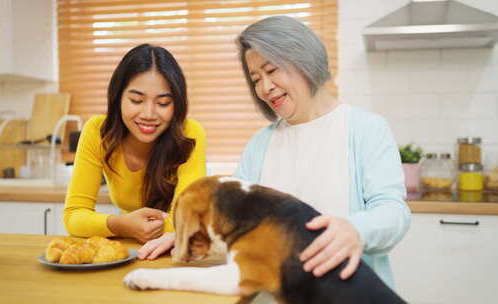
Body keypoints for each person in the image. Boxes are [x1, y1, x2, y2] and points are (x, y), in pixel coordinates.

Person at [233, 16, 411, 289]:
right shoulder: (260, 144)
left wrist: (357, 230)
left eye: (272, 70)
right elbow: (233, 215)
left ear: (304, 60)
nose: (264, 88)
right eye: (256, 79)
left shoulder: (365, 129)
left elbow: (394, 212)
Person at [64, 44, 206, 260]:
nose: (149, 114)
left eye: (163, 103)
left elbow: (187, 218)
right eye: (136, 101)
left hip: (173, 254)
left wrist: (121, 225)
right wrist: (121, 224)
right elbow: (74, 216)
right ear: (117, 97)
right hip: (125, 250)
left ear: (176, 104)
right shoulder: (97, 132)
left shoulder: (189, 134)